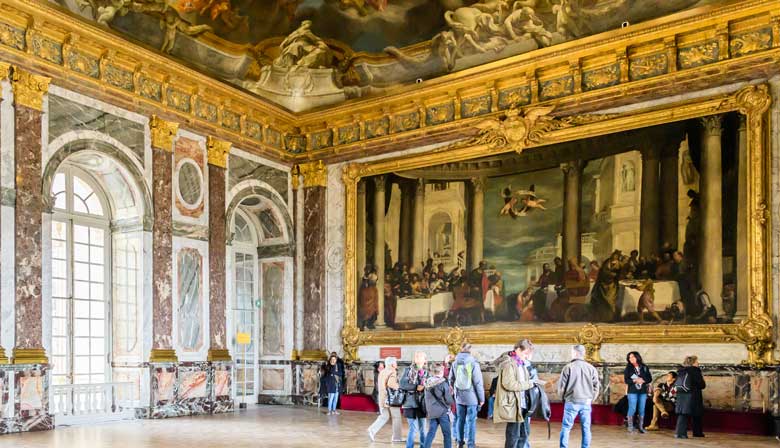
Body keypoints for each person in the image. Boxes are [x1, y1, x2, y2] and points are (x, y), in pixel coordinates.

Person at [558, 344, 601, 448]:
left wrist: (563, 399)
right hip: (586, 402)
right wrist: (591, 398)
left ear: (575, 353)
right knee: (586, 428)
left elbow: (561, 387)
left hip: (571, 401)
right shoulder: (591, 368)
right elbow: (597, 386)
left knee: (566, 427)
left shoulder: (568, 367)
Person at [494, 340, 535, 448]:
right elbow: (509, 384)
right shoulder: (509, 364)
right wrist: (529, 384)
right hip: (513, 404)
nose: (527, 356)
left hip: (522, 403)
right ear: (518, 350)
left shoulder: (521, 364)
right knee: (513, 436)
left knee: (524, 434)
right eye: (525, 353)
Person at [449, 343, 484, 448]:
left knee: (460, 420)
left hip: (459, 397)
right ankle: (470, 444)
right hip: (472, 398)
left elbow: (450, 380)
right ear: (470, 351)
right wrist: (481, 399)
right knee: (471, 421)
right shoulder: (474, 363)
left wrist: (455, 392)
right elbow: (478, 383)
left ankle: (459, 442)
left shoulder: (455, 363)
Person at [368, 357, 404, 442]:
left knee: (384, 416)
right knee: (396, 417)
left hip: (382, 398)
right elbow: (391, 384)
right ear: (392, 364)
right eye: (396, 363)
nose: (396, 364)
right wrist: (400, 387)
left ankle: (372, 430)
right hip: (391, 399)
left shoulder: (382, 372)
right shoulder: (392, 371)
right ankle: (397, 437)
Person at [401, 351, 430, 448]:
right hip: (410, 403)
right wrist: (416, 386)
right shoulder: (408, 370)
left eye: (420, 356)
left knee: (423, 429)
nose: (417, 357)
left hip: (422, 403)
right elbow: (403, 384)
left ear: (425, 360)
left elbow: (431, 386)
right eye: (416, 355)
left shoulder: (427, 372)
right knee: (413, 428)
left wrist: (425, 387)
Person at [674, 355, 706, 439]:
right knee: (696, 413)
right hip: (693, 395)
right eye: (696, 361)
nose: (698, 363)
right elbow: (702, 385)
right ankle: (691, 433)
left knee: (683, 413)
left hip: (681, 394)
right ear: (693, 363)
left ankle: (680, 433)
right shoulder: (695, 370)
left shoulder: (681, 371)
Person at [424, 363, 455, 448]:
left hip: (431, 412)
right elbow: (448, 400)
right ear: (441, 372)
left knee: (431, 433)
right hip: (442, 412)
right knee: (447, 434)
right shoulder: (443, 383)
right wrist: (451, 394)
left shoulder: (427, 382)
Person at [623, 351, 652, 433]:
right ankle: (630, 426)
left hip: (642, 391)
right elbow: (626, 380)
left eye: (632, 357)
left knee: (642, 409)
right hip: (632, 391)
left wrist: (643, 380)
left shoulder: (644, 367)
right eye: (629, 357)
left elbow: (649, 378)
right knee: (632, 408)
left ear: (637, 357)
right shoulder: (628, 368)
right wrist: (635, 380)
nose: (630, 359)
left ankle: (641, 427)